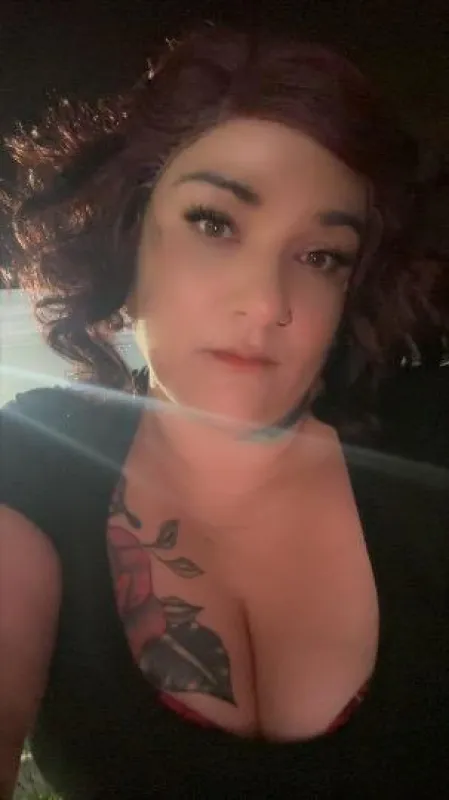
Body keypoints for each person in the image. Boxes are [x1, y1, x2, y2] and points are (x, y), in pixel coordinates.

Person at [0, 23, 448, 799]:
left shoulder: (427, 442)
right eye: (214, 223)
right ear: (129, 236)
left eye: (320, 256)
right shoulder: (37, 452)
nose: (267, 303)